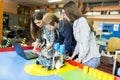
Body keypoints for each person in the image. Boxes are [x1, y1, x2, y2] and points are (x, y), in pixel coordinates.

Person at [63, 1, 101, 68]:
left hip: (91, 58)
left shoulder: (82, 21)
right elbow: (79, 42)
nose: (64, 16)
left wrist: (80, 58)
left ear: (70, 12)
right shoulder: (75, 23)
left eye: (65, 13)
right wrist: (72, 56)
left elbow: (84, 42)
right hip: (85, 57)